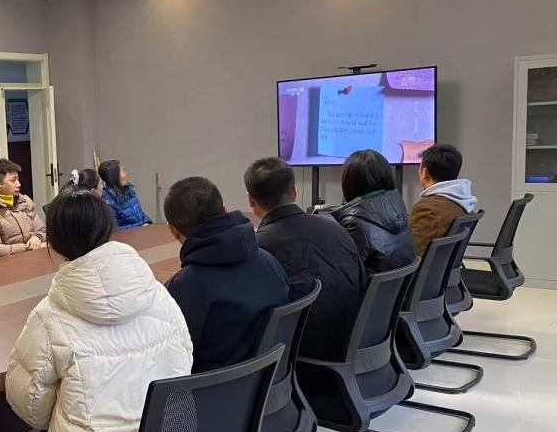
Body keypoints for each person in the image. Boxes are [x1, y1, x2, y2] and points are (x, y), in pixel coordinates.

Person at [6, 186, 192, 432]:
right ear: (109, 229)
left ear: (54, 243)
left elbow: (31, 407)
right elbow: (185, 359)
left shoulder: (48, 315)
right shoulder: (158, 293)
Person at [244, 158, 366, 361]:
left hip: (297, 356)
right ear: (294, 193)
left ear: (251, 200)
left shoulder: (257, 250)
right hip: (351, 343)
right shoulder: (338, 230)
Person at [164, 177, 289, 373]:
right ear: (224, 210)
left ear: (173, 230)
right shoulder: (270, 262)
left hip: (210, 389)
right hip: (272, 379)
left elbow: (171, 360)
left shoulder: (182, 288)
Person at [332, 150, 416, 273]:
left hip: (370, 285)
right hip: (401, 284)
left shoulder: (354, 223)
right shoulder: (398, 206)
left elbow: (343, 273)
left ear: (349, 182)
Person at [409, 143, 478, 255]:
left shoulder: (427, 209)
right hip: (443, 266)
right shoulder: (465, 202)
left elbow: (410, 254)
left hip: (423, 266)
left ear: (424, 172)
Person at [0, 159, 47, 259]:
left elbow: (43, 230)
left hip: (34, 258)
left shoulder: (24, 203)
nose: (19, 184)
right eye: (13, 180)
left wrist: (37, 238)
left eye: (18, 179)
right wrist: (29, 247)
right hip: (7, 265)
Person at [99, 159, 152, 229]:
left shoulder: (128, 190)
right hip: (129, 235)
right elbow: (115, 230)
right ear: (114, 177)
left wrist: (146, 222)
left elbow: (140, 213)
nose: (126, 173)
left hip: (141, 232)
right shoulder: (108, 202)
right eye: (123, 171)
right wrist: (139, 228)